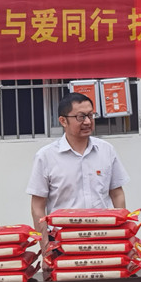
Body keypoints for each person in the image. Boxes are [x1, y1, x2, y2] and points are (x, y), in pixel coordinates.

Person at [27, 92, 129, 260]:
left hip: (104, 237)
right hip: (62, 242)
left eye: (91, 115)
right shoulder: (45, 156)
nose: (88, 122)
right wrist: (46, 249)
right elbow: (38, 206)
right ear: (63, 121)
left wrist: (122, 234)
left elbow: (117, 194)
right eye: (81, 117)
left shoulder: (106, 150)